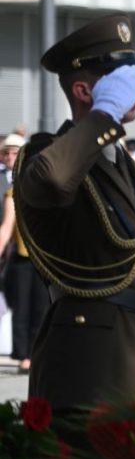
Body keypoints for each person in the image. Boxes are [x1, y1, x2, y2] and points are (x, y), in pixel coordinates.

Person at [19, 14, 135, 459]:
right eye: (117, 79)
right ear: (85, 89)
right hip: (85, 371)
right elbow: (53, 181)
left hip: (131, 367)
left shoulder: (128, 166)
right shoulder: (44, 154)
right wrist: (101, 118)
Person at [0, 134, 49, 375]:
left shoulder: (51, 189)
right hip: (21, 256)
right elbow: (7, 227)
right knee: (22, 307)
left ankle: (36, 353)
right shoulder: (13, 192)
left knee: (41, 308)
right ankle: (25, 355)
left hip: (45, 258)